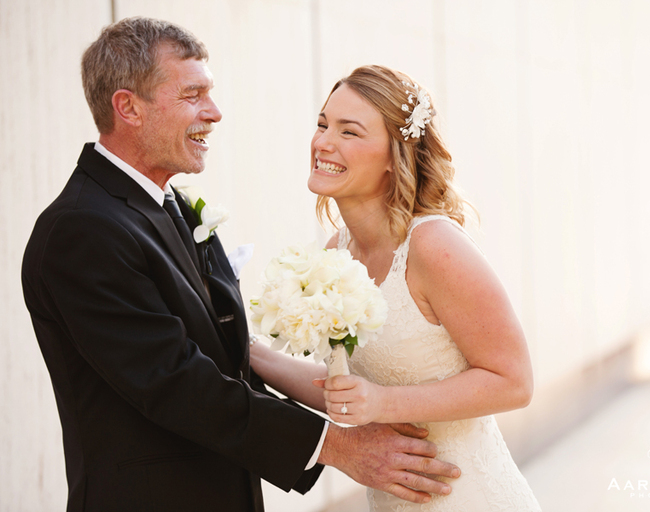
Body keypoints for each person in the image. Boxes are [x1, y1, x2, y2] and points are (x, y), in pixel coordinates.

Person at [21, 19, 459, 512]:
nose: (215, 112)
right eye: (193, 95)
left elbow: (227, 358)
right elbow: (174, 381)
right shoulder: (82, 229)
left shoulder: (171, 208)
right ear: (128, 108)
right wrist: (337, 445)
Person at [248, 65, 542, 511]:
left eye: (350, 132)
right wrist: (247, 352)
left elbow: (514, 381)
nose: (323, 142)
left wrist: (382, 403)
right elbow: (347, 390)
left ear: (394, 154)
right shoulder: (337, 252)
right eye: (323, 124)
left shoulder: (433, 246)